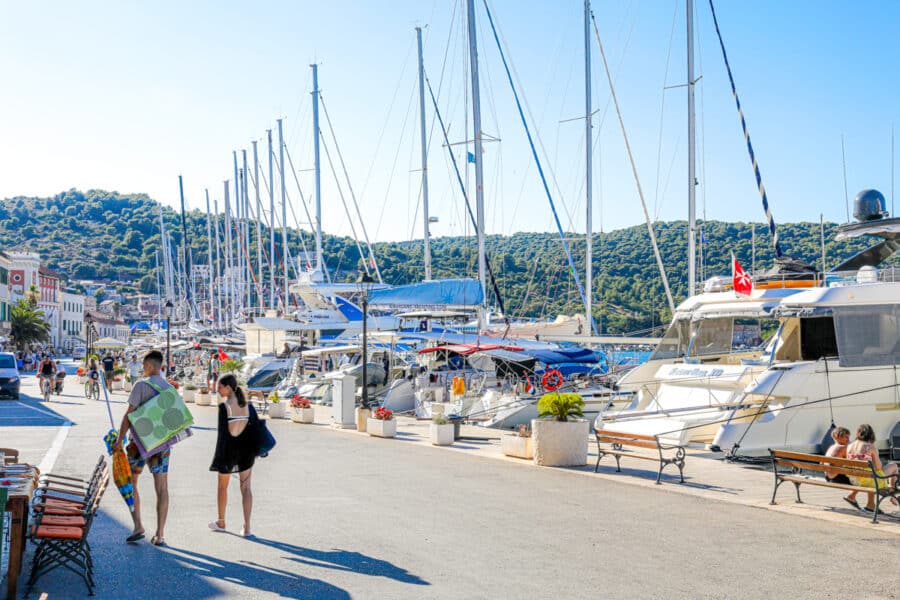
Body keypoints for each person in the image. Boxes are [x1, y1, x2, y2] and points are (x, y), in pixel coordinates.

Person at [112, 350, 174, 546]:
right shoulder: (168, 387)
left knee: (131, 483)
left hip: (137, 444)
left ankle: (138, 525)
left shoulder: (141, 385)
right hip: (161, 444)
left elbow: (128, 416)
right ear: (160, 366)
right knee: (162, 488)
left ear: (148, 365)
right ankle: (160, 534)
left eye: (144, 365)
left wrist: (119, 440)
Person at [208, 373, 259, 538]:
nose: (218, 391)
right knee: (246, 488)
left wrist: (217, 460)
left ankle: (221, 522)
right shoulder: (248, 406)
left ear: (228, 387)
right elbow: (254, 429)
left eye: (220, 388)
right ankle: (247, 527)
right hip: (247, 451)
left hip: (228, 451)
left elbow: (222, 436)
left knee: (222, 487)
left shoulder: (225, 407)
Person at [846, 423, 899, 513]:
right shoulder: (869, 446)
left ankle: (871, 505)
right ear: (871, 434)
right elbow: (878, 467)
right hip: (869, 479)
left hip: (855, 478)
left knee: (870, 473)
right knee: (893, 465)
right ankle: (893, 493)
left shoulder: (850, 446)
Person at [824, 427, 859, 509]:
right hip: (837, 478)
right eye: (846, 437)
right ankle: (852, 496)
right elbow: (854, 460)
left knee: (859, 475)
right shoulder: (842, 448)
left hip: (828, 477)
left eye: (848, 437)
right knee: (864, 479)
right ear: (837, 437)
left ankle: (851, 496)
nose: (848, 439)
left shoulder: (831, 447)